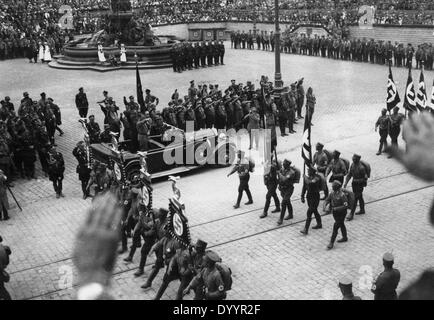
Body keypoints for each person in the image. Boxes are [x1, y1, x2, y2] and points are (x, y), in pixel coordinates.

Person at [324, 181, 349, 250]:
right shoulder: (332, 193)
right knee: (341, 224)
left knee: (336, 226)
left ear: (336, 187)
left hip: (342, 213)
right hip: (335, 213)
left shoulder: (342, 195)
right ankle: (345, 237)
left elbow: (345, 206)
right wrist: (324, 206)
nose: (332, 187)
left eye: (333, 186)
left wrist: (336, 208)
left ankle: (331, 242)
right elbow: (327, 200)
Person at [344, 154, 368, 221]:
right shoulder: (352, 165)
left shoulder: (361, 168)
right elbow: (349, 174)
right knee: (360, 197)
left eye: (354, 158)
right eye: (353, 158)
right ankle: (362, 209)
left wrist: (360, 180)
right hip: (354, 184)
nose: (353, 159)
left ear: (358, 159)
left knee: (355, 198)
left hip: (359, 185)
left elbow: (365, 178)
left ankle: (351, 213)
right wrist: (345, 183)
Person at [300, 166, 322, 235]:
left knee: (309, 212)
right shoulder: (308, 178)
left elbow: (310, 183)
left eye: (309, 171)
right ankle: (319, 224)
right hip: (309, 197)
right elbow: (304, 187)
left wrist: (305, 177)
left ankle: (306, 229)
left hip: (315, 197)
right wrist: (302, 196)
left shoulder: (317, 178)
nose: (308, 172)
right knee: (314, 211)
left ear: (313, 172)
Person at [277, 159, 296, 225]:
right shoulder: (282, 170)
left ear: (287, 165)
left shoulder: (291, 172)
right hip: (283, 189)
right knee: (287, 201)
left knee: (283, 203)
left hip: (289, 189)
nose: (283, 164)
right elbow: (279, 179)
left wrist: (279, 173)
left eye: (284, 163)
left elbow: (284, 179)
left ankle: (281, 219)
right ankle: (290, 214)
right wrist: (279, 185)